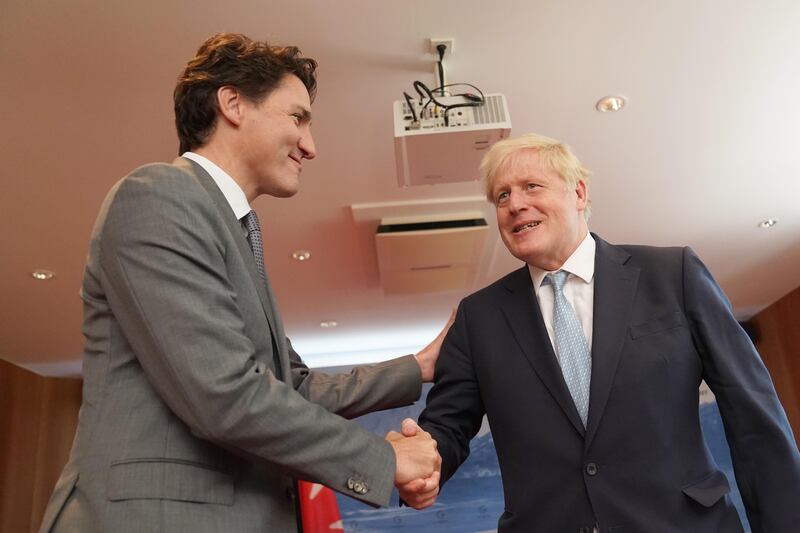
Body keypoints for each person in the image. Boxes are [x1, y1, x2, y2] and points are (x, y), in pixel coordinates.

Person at [39, 33, 446, 533]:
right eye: (297, 117)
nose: (311, 146)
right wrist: (384, 461)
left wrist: (420, 367)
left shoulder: (234, 230)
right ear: (232, 103)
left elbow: (287, 387)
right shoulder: (160, 196)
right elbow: (224, 396)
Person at [402, 133, 800, 532]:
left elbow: (754, 417)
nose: (515, 204)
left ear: (578, 192)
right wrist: (421, 463)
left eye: (530, 186)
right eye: (501, 196)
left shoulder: (672, 275)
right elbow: (448, 426)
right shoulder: (479, 317)